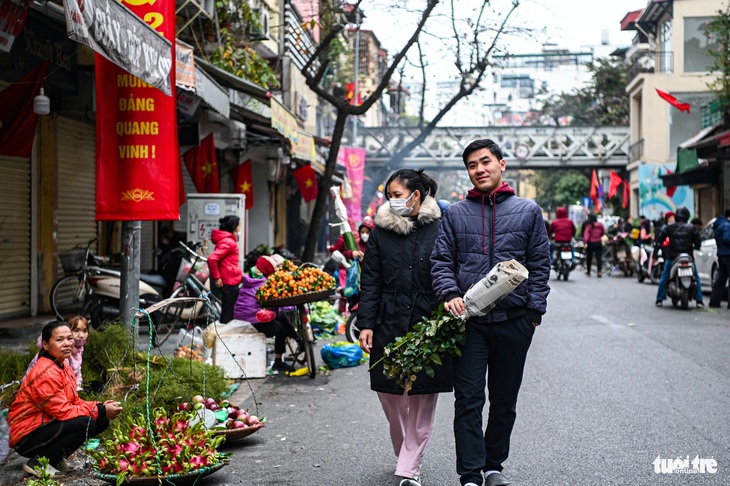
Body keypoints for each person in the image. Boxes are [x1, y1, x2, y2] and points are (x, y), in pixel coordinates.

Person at [431, 139, 550, 486]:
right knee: (468, 399)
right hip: (470, 325)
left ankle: (494, 465)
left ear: (501, 164)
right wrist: (449, 293)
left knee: (504, 401)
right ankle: (470, 473)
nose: (479, 169)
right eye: (472, 165)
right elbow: (441, 262)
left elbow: (540, 265)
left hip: (515, 322)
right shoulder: (454, 214)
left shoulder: (528, 211)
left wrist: (533, 314)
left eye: (485, 162)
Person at [358, 169, 449, 486]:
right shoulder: (381, 233)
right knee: (389, 392)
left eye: (397, 195)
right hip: (388, 319)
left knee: (422, 396)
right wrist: (366, 323)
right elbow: (370, 281)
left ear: (417, 194)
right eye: (389, 196)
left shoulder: (442, 227)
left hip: (428, 323)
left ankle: (408, 469)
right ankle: (406, 454)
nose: (391, 201)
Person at [8, 321, 122, 478]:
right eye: (60, 340)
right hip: (25, 435)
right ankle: (39, 463)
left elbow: (74, 402)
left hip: (45, 425)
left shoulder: (63, 366)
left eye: (69, 338)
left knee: (101, 419)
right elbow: (63, 412)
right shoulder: (45, 372)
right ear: (45, 345)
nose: (67, 343)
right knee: (86, 422)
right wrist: (100, 409)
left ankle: (54, 460)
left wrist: (100, 406)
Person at [233, 255, 299, 372]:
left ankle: (297, 339)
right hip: (253, 322)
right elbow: (275, 305)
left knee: (280, 317)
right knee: (281, 327)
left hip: (241, 319)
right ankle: (280, 360)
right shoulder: (265, 284)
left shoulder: (250, 279)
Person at [23, 315, 89, 391]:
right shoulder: (57, 357)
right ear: (45, 344)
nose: (81, 335)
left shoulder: (77, 351)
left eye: (85, 331)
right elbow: (57, 397)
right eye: (60, 340)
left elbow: (76, 374)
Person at [655, 207, 703, 308]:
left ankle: (659, 299)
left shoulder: (670, 227)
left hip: (673, 257)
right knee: (696, 277)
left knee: (665, 277)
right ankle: (699, 301)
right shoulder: (691, 227)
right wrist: (697, 247)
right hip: (688, 256)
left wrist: (661, 243)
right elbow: (697, 241)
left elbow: (660, 238)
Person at [208, 215, 243, 323]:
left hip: (230, 279)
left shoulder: (228, 240)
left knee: (229, 311)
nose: (240, 227)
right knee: (228, 314)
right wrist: (217, 277)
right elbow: (212, 259)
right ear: (234, 227)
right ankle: (225, 336)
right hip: (228, 281)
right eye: (239, 224)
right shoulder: (228, 242)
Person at [709, 209, 730, 309]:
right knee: (722, 279)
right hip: (728, 255)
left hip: (721, 255)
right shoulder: (727, 225)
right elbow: (727, 239)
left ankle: (714, 302)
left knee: (721, 279)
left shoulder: (719, 225)